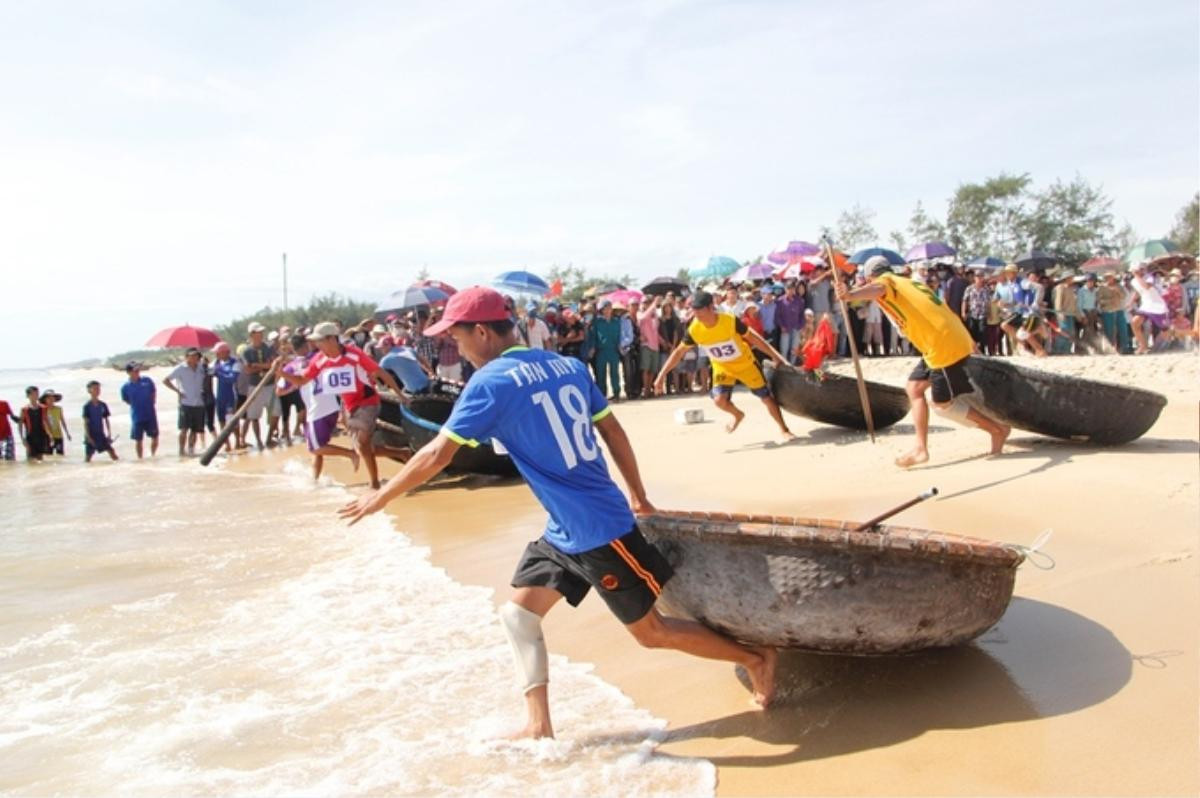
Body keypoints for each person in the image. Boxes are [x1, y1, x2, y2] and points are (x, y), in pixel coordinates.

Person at [337, 286, 778, 739]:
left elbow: (436, 455)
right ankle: (538, 725)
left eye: (458, 337)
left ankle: (756, 659)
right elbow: (613, 430)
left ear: (483, 332)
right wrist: (638, 494)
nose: (458, 347)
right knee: (518, 616)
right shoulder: (566, 365)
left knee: (650, 632)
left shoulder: (489, 383)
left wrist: (381, 496)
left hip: (597, 528)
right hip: (564, 528)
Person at [835, 256, 1010, 467]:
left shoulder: (887, 281)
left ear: (871, 276)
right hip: (941, 342)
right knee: (914, 389)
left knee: (941, 404)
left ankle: (996, 429)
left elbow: (878, 288)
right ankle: (920, 448)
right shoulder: (910, 282)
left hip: (942, 346)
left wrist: (850, 294)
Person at [277, 321, 404, 490]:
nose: (316, 344)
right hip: (348, 405)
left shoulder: (354, 355)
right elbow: (301, 380)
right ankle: (402, 453)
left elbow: (379, 372)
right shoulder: (319, 360)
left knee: (362, 441)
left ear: (331, 339)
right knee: (361, 448)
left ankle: (374, 483)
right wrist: (281, 373)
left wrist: (399, 394)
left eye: (319, 340)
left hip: (367, 401)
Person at [654, 291, 795, 440]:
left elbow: (754, 339)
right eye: (693, 309)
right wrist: (661, 375)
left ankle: (784, 429)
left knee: (766, 398)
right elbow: (678, 352)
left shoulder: (729, 321)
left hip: (745, 364)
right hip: (722, 367)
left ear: (710, 307)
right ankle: (737, 415)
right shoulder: (694, 329)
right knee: (719, 401)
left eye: (699, 308)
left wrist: (775, 356)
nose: (696, 313)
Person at [278, 335, 359, 480]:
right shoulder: (320, 357)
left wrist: (293, 382)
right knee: (317, 449)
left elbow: (280, 391)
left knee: (316, 447)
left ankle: (350, 453)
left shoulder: (292, 367)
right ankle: (315, 479)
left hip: (317, 410)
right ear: (306, 345)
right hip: (331, 406)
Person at [164, 347, 208, 456]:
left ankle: (191, 450)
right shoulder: (180, 368)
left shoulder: (201, 368)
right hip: (186, 403)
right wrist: (177, 391)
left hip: (199, 402)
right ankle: (181, 451)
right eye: (191, 355)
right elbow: (166, 380)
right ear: (186, 357)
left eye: (196, 355)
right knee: (184, 429)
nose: (194, 358)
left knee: (195, 430)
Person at [240, 322, 275, 449]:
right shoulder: (246, 351)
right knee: (254, 416)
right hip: (255, 385)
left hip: (270, 384)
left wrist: (256, 365)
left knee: (275, 413)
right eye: (258, 332)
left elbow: (272, 365)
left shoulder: (269, 348)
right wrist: (264, 366)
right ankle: (259, 441)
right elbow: (247, 370)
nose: (261, 334)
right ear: (251, 334)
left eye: (261, 332)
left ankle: (269, 438)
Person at [1129, 262, 1172, 354]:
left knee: (1165, 329)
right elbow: (1138, 291)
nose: (1141, 271)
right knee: (1135, 322)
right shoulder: (1133, 281)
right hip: (1146, 304)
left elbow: (1146, 287)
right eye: (1138, 269)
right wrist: (1130, 302)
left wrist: (1137, 277)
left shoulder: (1149, 277)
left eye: (1141, 269)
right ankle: (1143, 345)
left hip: (1156, 305)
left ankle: (1181, 337)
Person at [120, 362, 159, 458]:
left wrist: (152, 402)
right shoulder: (125, 387)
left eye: (138, 370)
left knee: (155, 437)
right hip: (137, 416)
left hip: (150, 414)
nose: (137, 372)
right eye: (135, 370)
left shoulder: (147, 380)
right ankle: (140, 458)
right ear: (129, 372)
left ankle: (152, 455)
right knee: (138, 439)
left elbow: (153, 392)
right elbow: (126, 399)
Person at [588, 300, 622, 400]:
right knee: (601, 373)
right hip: (601, 350)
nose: (608, 310)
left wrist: (620, 346)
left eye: (609, 308)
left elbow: (620, 335)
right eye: (605, 308)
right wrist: (593, 348)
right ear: (602, 310)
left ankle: (616, 393)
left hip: (613, 349)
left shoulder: (616, 321)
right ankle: (602, 394)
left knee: (614, 373)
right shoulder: (597, 322)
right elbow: (593, 336)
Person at [210, 342, 242, 451]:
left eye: (218, 352)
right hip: (219, 397)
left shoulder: (235, 363)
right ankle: (227, 444)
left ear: (225, 352)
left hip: (230, 397)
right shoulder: (216, 363)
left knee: (231, 421)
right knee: (221, 420)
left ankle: (238, 441)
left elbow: (232, 379)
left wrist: (219, 373)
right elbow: (209, 372)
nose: (216, 355)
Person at [82, 381, 118, 462]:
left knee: (112, 452)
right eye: (95, 388)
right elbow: (85, 423)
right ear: (89, 390)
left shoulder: (103, 405)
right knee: (88, 457)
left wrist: (109, 434)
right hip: (91, 434)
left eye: (98, 388)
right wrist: (88, 437)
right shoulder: (87, 406)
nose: (97, 390)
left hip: (101, 434)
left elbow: (106, 420)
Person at [636, 296, 662, 398]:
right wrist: (653, 305)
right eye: (645, 302)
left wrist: (662, 341)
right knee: (645, 369)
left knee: (652, 370)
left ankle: (648, 389)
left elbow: (656, 331)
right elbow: (643, 318)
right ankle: (645, 391)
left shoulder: (654, 315)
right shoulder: (640, 313)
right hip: (646, 345)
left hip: (655, 345)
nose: (646, 304)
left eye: (648, 302)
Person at [960, 268, 991, 352]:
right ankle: (973, 350)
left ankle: (982, 350)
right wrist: (963, 312)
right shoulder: (969, 288)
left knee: (982, 331)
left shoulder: (986, 289)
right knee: (972, 331)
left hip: (982, 314)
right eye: (978, 276)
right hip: (972, 313)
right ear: (974, 278)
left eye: (981, 276)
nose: (980, 278)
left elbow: (988, 302)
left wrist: (989, 312)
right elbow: (965, 301)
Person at [776, 280, 805, 365]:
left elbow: (801, 314)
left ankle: (792, 365)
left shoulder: (799, 300)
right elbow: (777, 316)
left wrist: (801, 326)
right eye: (788, 289)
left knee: (794, 349)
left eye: (792, 289)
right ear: (785, 289)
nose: (790, 291)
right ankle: (785, 365)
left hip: (796, 328)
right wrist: (781, 326)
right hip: (785, 328)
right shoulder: (780, 301)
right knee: (784, 349)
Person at [19, 386, 52, 461]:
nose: (36, 396)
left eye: (37, 394)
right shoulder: (24, 409)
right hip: (30, 437)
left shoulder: (43, 408)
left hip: (41, 436)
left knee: (40, 460)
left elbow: (46, 422)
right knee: (30, 460)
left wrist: (50, 435)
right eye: (33, 394)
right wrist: (22, 439)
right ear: (28, 396)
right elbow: (20, 424)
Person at [42, 390, 70, 455]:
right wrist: (50, 435)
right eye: (49, 398)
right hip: (47, 437)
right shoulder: (43, 410)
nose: (51, 399)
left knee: (60, 454)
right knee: (48, 455)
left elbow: (62, 421)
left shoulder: (58, 409)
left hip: (58, 436)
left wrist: (67, 433)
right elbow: (43, 423)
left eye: (52, 398)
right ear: (45, 399)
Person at [0, 396, 16, 461]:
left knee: (10, 458)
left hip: (7, 434)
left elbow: (12, 416)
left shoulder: (4, 404)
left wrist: (21, 420)